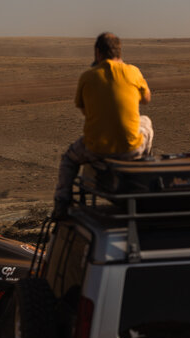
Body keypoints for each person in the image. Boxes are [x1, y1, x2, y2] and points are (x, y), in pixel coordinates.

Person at [53, 32, 153, 218]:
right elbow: (146, 99)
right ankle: (140, 170)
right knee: (146, 121)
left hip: (95, 148)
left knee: (68, 159)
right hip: (130, 148)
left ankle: (61, 201)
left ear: (97, 53)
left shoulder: (88, 76)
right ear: (120, 52)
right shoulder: (133, 72)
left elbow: (84, 109)